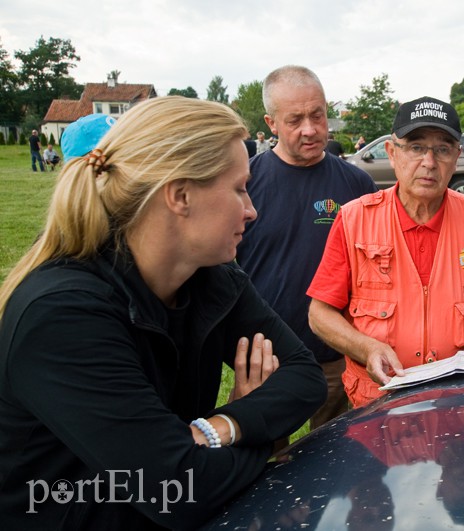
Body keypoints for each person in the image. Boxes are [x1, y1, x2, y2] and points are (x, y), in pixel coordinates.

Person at [0, 96, 327, 530]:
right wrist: (258, 437)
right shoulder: (63, 315)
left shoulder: (211, 278)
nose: (251, 209)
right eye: (238, 188)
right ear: (180, 196)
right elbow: (180, 490)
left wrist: (222, 426)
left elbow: (304, 378)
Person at [307, 96, 464, 407]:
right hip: (378, 406)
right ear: (392, 153)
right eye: (416, 147)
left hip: (462, 405)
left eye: (442, 149)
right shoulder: (354, 219)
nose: (429, 162)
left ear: (456, 157)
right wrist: (366, 347)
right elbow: (320, 314)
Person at [237, 66, 377, 430]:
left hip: (336, 355)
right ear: (271, 123)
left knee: (333, 456)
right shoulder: (246, 185)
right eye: (295, 119)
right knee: (266, 459)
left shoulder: (357, 183)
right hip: (266, 358)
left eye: (317, 115)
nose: (311, 129)